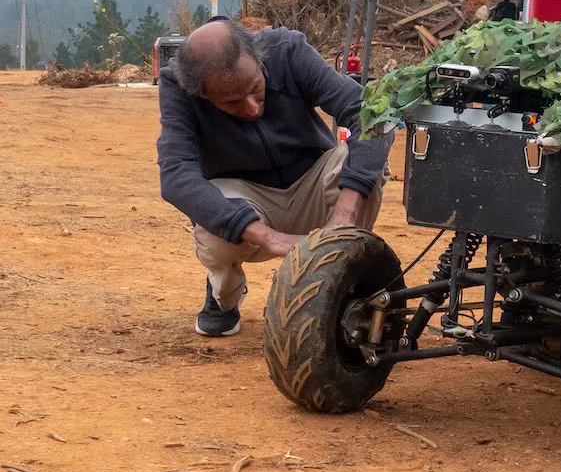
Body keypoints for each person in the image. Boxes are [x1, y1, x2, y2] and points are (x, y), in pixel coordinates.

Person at [156, 18, 393, 337]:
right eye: (231, 102)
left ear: (259, 57)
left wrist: (344, 217)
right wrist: (269, 238)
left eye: (255, 89)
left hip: (313, 182)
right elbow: (176, 175)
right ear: (203, 93)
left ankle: (344, 279)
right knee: (213, 226)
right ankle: (223, 295)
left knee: (361, 160)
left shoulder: (287, 50)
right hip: (247, 200)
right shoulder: (179, 86)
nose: (252, 108)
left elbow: (371, 115)